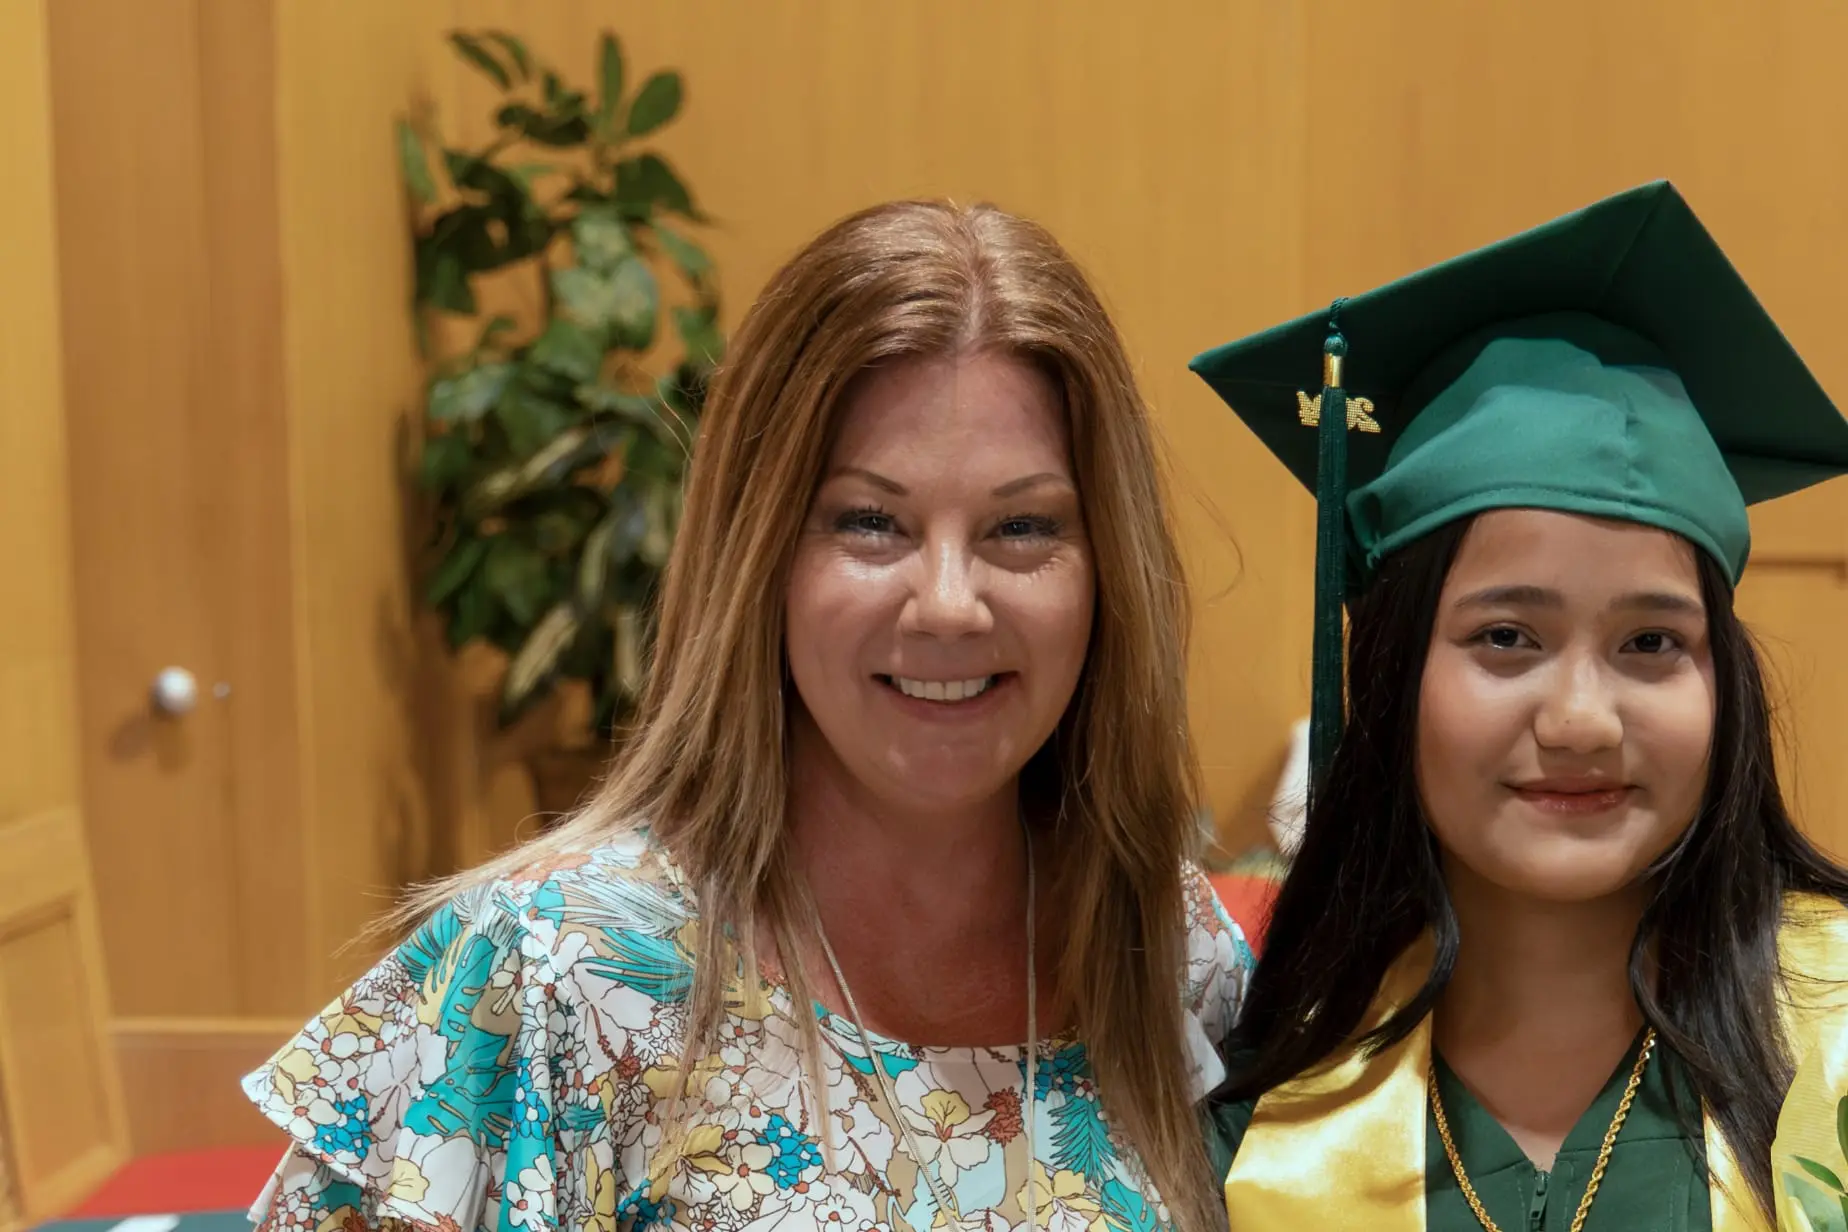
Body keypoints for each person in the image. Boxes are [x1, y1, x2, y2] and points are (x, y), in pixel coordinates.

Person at [240, 200, 1251, 1232]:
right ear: (760, 552)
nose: (950, 598)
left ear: (1105, 573)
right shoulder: (551, 971)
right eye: (871, 521)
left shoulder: (1176, 957)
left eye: (1022, 525)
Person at [1188, 181, 1848, 1231]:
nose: (1582, 717)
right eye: (1506, 637)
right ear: (1393, 673)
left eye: (1652, 642)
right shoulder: (1259, 1126)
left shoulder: (1838, 1044)